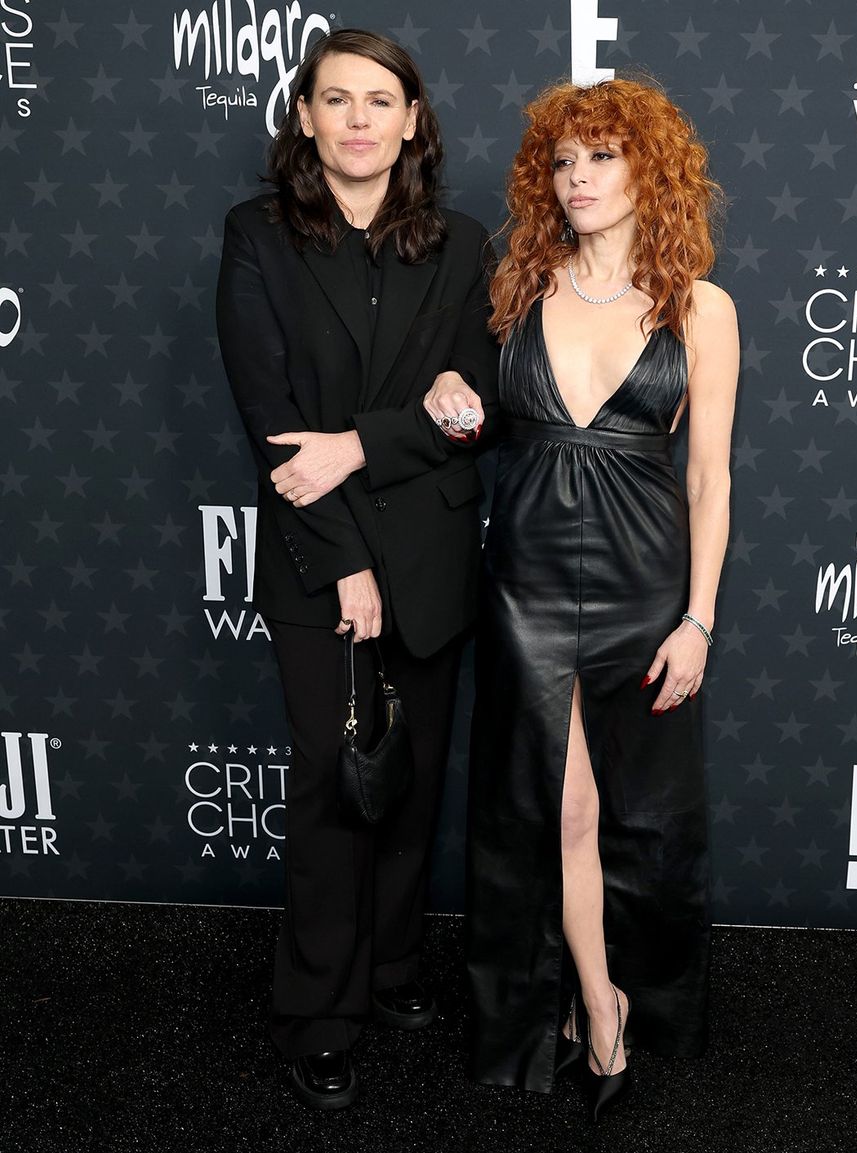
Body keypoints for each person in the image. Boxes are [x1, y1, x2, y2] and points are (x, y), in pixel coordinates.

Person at [215, 29, 498, 1111]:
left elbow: (474, 405)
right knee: (336, 788)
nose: (360, 119)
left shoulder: (463, 243)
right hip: (315, 558)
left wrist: (372, 440)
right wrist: (343, 567)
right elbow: (273, 425)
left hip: (430, 555)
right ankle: (317, 1010)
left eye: (381, 100)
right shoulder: (258, 237)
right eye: (337, 100)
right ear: (305, 118)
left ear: (412, 120)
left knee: (409, 786)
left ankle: (384, 971)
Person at [460, 77, 738, 1117]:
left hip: (640, 584)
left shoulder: (700, 308)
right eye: (562, 162)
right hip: (525, 582)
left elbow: (707, 475)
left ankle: (613, 1001)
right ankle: (597, 1007)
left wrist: (698, 616)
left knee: (634, 816)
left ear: (648, 170)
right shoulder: (515, 291)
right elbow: (458, 403)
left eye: (601, 157)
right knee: (561, 808)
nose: (577, 179)